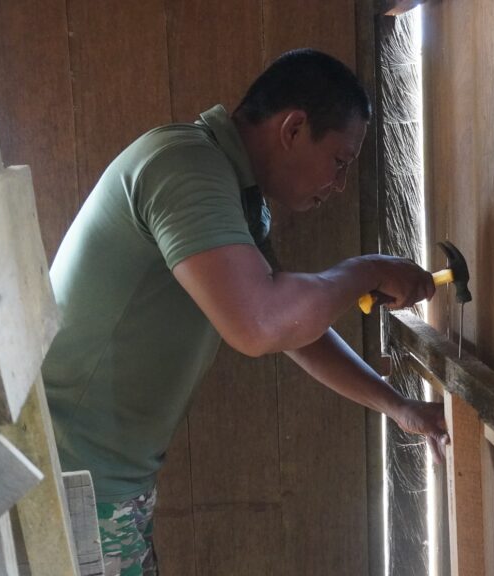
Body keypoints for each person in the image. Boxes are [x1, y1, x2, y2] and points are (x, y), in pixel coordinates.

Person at [41, 48, 447, 575]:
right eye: (339, 161)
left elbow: (290, 327)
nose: (339, 184)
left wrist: (398, 406)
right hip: (71, 478)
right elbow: (260, 324)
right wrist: (367, 271)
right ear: (293, 128)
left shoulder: (233, 191)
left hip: (104, 479)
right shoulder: (185, 168)